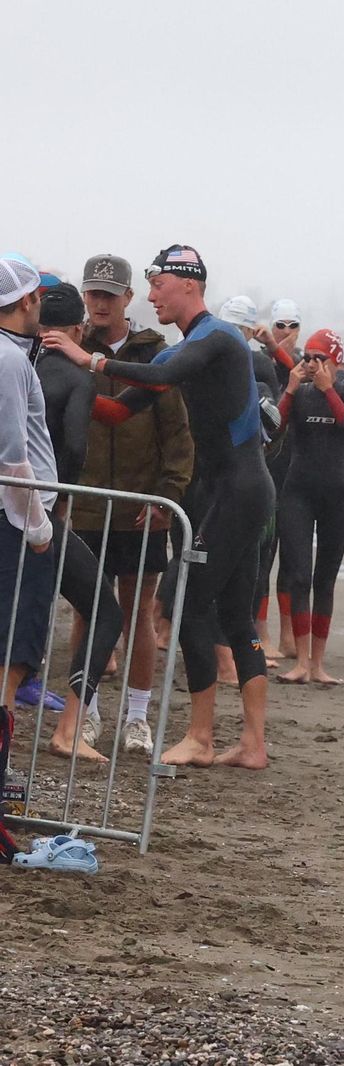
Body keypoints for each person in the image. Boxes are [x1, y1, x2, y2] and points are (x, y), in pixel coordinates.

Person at [55, 245, 273, 769]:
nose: (150, 295)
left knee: (187, 602)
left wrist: (92, 358)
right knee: (236, 613)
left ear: (189, 285)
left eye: (158, 285)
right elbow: (117, 411)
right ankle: (252, 743)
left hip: (237, 491)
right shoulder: (181, 350)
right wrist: (72, 378)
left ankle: (200, 736)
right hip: (230, 493)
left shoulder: (214, 337)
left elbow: (159, 378)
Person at [75, 253, 193, 757]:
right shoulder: (71, 349)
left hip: (141, 506)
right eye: (92, 293)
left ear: (128, 297)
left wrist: (168, 494)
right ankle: (86, 713)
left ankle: (138, 717)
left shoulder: (156, 356)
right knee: (86, 609)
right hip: (83, 503)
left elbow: (179, 435)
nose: (100, 302)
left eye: (109, 293)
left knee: (138, 611)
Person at [33, 283, 124, 763]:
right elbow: (73, 447)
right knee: (106, 612)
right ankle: (69, 728)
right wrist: (61, 505)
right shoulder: (77, 375)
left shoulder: (16, 362)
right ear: (77, 329)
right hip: (40, 513)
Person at [0, 255, 58, 863]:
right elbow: (15, 454)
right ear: (27, 300)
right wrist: (37, 524)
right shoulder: (11, 358)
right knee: (11, 662)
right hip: (14, 523)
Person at [275, 329, 344, 685]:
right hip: (297, 492)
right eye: (307, 358)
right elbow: (273, 428)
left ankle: (318, 664)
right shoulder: (300, 393)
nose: (311, 365)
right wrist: (291, 389)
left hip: (336, 495)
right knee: (298, 575)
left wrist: (328, 390)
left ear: (335, 361)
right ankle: (300, 662)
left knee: (324, 579)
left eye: (319, 359)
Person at [253, 298, 302, 660]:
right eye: (279, 325)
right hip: (266, 470)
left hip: (297, 476)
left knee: (295, 560)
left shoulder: (308, 366)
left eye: (292, 325)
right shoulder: (256, 364)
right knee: (261, 557)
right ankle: (261, 634)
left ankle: (288, 637)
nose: (285, 332)